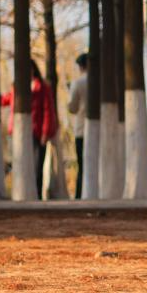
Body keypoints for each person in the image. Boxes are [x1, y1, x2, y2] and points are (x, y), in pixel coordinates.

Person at [3, 59, 58, 199]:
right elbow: (7, 100)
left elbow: (48, 110)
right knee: (21, 166)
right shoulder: (17, 87)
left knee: (37, 167)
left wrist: (45, 132)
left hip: (37, 133)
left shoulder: (42, 87)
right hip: (18, 132)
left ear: (33, 69)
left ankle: (37, 196)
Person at [66, 53, 88, 199]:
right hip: (100, 130)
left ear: (80, 67)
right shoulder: (102, 81)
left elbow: (72, 108)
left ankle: (80, 195)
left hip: (81, 129)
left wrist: (70, 92)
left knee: (82, 165)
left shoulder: (78, 83)